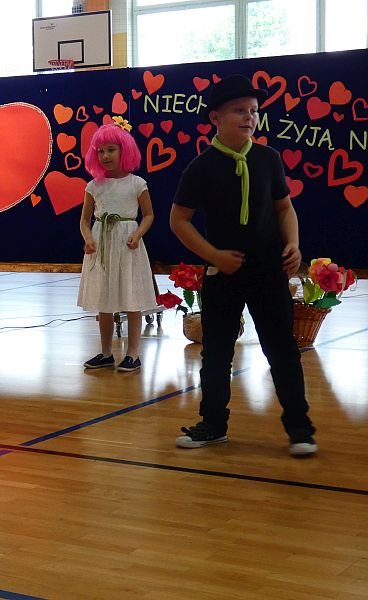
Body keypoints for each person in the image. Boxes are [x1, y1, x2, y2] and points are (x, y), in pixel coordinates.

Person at [170, 74, 317, 457]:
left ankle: (300, 429)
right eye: (239, 110)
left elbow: (285, 209)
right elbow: (178, 220)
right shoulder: (201, 167)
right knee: (217, 354)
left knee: (282, 349)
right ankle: (213, 424)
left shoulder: (269, 159)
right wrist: (214, 256)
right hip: (224, 273)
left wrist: (293, 244)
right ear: (215, 117)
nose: (249, 117)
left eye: (253, 110)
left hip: (268, 271)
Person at [77, 119, 155, 373]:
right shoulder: (94, 186)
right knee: (104, 301)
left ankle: (133, 353)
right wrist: (89, 239)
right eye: (100, 151)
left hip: (128, 244)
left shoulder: (136, 183)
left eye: (111, 150)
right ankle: (106, 352)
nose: (105, 155)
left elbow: (149, 215)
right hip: (102, 244)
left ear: (125, 150)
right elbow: (84, 220)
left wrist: (138, 234)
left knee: (132, 299)